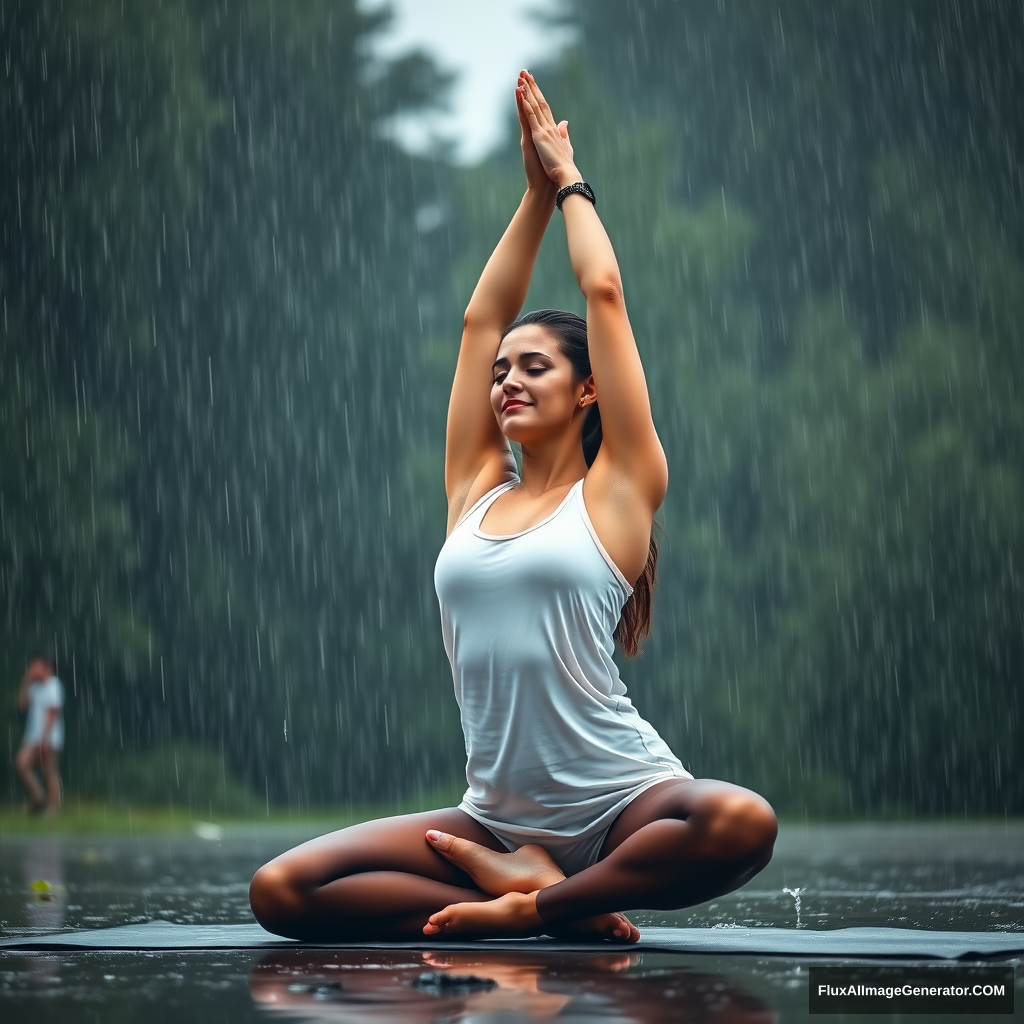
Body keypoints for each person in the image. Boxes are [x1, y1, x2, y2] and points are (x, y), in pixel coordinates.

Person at [249, 71, 777, 942]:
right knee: (282, 890)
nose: (508, 378)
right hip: (492, 817)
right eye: (504, 371)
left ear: (587, 392)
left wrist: (569, 181)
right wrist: (529, 199)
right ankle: (527, 896)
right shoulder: (473, 489)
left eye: (534, 367)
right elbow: (476, 321)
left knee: (741, 823)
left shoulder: (619, 490)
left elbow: (602, 294)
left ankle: (545, 903)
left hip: (622, 807)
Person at [15, 654, 65, 815]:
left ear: (46, 668)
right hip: (32, 735)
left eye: (36, 666)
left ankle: (53, 808)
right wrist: (26, 682)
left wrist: (45, 738)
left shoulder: (53, 686)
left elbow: (52, 714)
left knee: (50, 771)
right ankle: (38, 796)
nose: (32, 670)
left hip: (49, 736)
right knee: (22, 764)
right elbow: (22, 706)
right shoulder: (35, 687)